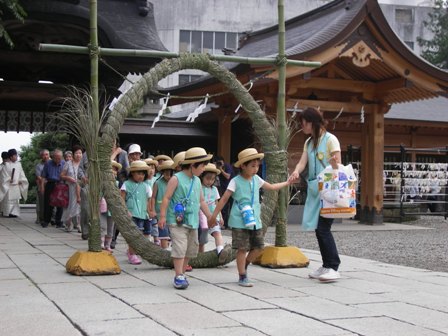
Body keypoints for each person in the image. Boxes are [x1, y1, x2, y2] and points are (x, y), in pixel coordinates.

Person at [210, 148, 293, 287]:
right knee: (242, 248)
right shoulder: (235, 181)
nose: (256, 169)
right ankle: (242, 276)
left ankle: (245, 264)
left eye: (257, 166)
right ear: (243, 165)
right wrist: (214, 216)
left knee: (259, 247)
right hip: (239, 220)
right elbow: (224, 199)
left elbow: (271, 187)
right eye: (252, 166)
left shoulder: (256, 179)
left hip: (255, 220)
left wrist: (287, 183)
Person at [289, 107, 342, 282]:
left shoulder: (330, 140)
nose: (302, 126)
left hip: (329, 190)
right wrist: (296, 171)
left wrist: (334, 163)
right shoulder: (309, 142)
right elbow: (302, 162)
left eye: (304, 123)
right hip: (315, 189)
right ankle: (327, 265)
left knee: (323, 228)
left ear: (312, 122)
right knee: (319, 229)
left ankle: (333, 266)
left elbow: (338, 167)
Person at [158, 147, 213, 289]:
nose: (204, 168)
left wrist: (210, 216)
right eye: (202, 165)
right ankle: (178, 275)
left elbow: (201, 201)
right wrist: (162, 216)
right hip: (177, 221)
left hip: (192, 221)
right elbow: (166, 198)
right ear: (193, 164)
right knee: (180, 247)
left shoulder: (197, 181)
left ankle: (182, 272)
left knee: (190, 249)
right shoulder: (176, 179)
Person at [120, 160, 152, 265]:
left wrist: (149, 212)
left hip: (143, 213)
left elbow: (148, 201)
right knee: (133, 235)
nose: (141, 176)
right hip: (132, 213)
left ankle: (139, 251)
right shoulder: (126, 184)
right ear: (132, 173)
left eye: (143, 174)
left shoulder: (146, 186)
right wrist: (126, 211)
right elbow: (122, 199)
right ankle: (132, 254)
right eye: (138, 173)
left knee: (144, 234)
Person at [198, 163, 230, 262]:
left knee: (217, 233)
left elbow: (217, 204)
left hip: (213, 216)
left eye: (212, 179)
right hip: (202, 216)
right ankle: (200, 256)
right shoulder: (198, 187)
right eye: (208, 178)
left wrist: (220, 216)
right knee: (201, 240)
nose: (210, 181)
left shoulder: (215, 189)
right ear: (202, 177)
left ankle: (220, 250)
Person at [149, 159, 175, 249]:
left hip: (172, 212)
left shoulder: (175, 183)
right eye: (166, 174)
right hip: (160, 212)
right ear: (162, 172)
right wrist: (152, 210)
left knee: (172, 234)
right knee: (163, 233)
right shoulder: (157, 183)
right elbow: (153, 197)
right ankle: (164, 252)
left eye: (170, 174)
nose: (168, 176)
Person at [60, 145, 84, 232]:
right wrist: (68, 178)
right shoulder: (68, 163)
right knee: (71, 205)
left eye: (80, 153)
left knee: (81, 206)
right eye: (77, 153)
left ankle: (79, 224)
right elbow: (62, 175)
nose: (78, 155)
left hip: (82, 186)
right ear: (73, 154)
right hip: (71, 187)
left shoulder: (84, 163)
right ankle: (69, 223)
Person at [0, 149, 29, 218]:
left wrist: (21, 180)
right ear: (11, 157)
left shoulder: (19, 164)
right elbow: (3, 176)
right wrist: (8, 180)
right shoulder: (6, 165)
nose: (16, 157)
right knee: (8, 200)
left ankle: (14, 212)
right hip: (9, 186)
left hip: (16, 185)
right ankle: (7, 212)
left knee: (15, 200)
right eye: (15, 155)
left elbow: (21, 174)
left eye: (16, 155)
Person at [100, 161, 122, 252]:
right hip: (102, 207)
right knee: (103, 226)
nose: (113, 172)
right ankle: (100, 242)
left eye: (115, 170)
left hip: (112, 209)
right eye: (111, 169)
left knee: (111, 227)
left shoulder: (117, 183)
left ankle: (107, 244)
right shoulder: (102, 182)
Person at [41, 149, 65, 228]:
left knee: (60, 204)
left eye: (59, 158)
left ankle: (58, 221)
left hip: (60, 184)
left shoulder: (64, 163)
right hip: (50, 184)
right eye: (56, 158)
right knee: (48, 203)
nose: (58, 160)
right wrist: (42, 187)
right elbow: (43, 176)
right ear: (53, 157)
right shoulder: (48, 163)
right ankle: (46, 221)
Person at [215, 155, 234, 226]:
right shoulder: (217, 168)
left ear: (223, 161)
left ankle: (229, 224)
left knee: (231, 207)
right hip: (223, 189)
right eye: (218, 163)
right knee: (223, 207)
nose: (220, 164)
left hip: (231, 189)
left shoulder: (227, 166)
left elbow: (227, 176)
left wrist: (221, 169)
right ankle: (224, 224)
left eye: (220, 162)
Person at [143, 158, 159, 242]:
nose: (151, 170)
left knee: (155, 222)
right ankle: (147, 239)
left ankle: (156, 239)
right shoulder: (143, 181)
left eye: (153, 168)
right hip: (145, 204)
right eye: (149, 168)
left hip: (155, 204)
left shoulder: (157, 180)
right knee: (148, 223)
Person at [35, 149, 50, 224]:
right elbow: (38, 176)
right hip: (42, 185)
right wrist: (45, 181)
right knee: (41, 203)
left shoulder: (52, 163)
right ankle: (41, 218)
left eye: (47, 154)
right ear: (41, 156)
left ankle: (51, 218)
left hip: (51, 185)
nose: (45, 156)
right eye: (44, 155)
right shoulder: (39, 165)